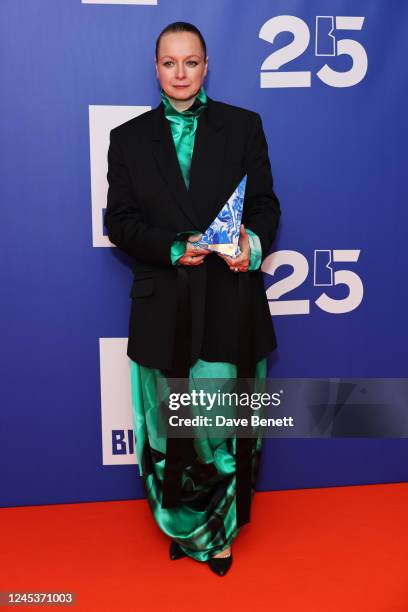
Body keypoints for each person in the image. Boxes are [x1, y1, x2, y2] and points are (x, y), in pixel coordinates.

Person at [104, 21, 281, 576]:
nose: (180, 73)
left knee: (218, 424)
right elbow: (122, 224)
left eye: (191, 62)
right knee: (170, 427)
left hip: (229, 302)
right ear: (155, 68)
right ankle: (181, 523)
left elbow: (267, 207)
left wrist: (250, 244)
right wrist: (174, 246)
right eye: (169, 63)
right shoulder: (128, 138)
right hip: (163, 306)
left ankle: (219, 531)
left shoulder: (243, 126)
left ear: (207, 66)